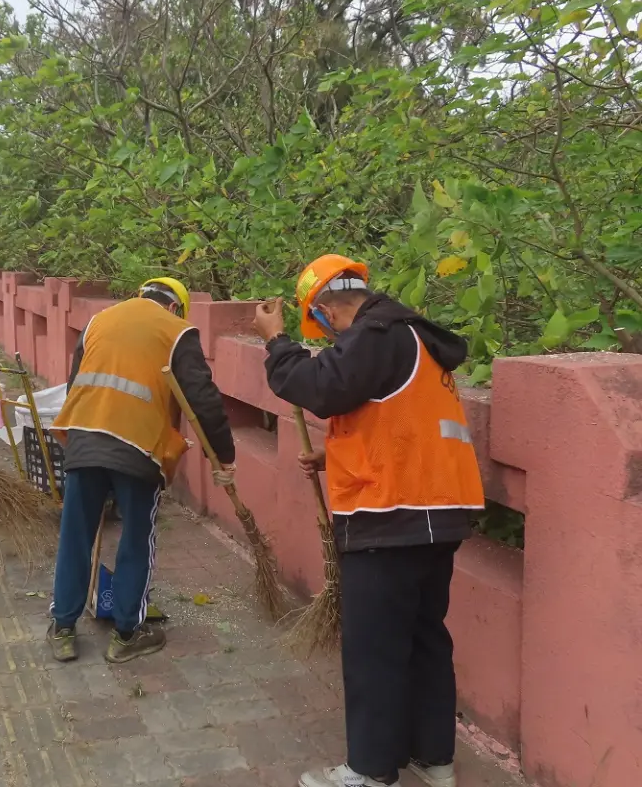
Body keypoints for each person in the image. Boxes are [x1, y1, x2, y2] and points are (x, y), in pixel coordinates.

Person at [254, 254, 485, 787]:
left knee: (374, 645)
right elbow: (399, 426)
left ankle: (371, 770)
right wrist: (335, 456)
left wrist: (275, 342)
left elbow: (319, 387)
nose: (331, 332)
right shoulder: (417, 341)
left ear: (326, 308)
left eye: (325, 323)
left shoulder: (377, 333)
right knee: (425, 637)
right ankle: (434, 757)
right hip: (437, 513)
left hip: (391, 516)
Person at [47, 278, 236, 664]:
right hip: (138, 448)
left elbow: (74, 384)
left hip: (83, 437)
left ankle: (62, 628)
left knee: (76, 533)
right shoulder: (178, 331)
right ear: (175, 307)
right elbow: (203, 398)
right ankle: (127, 634)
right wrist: (224, 456)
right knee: (137, 536)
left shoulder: (98, 320)